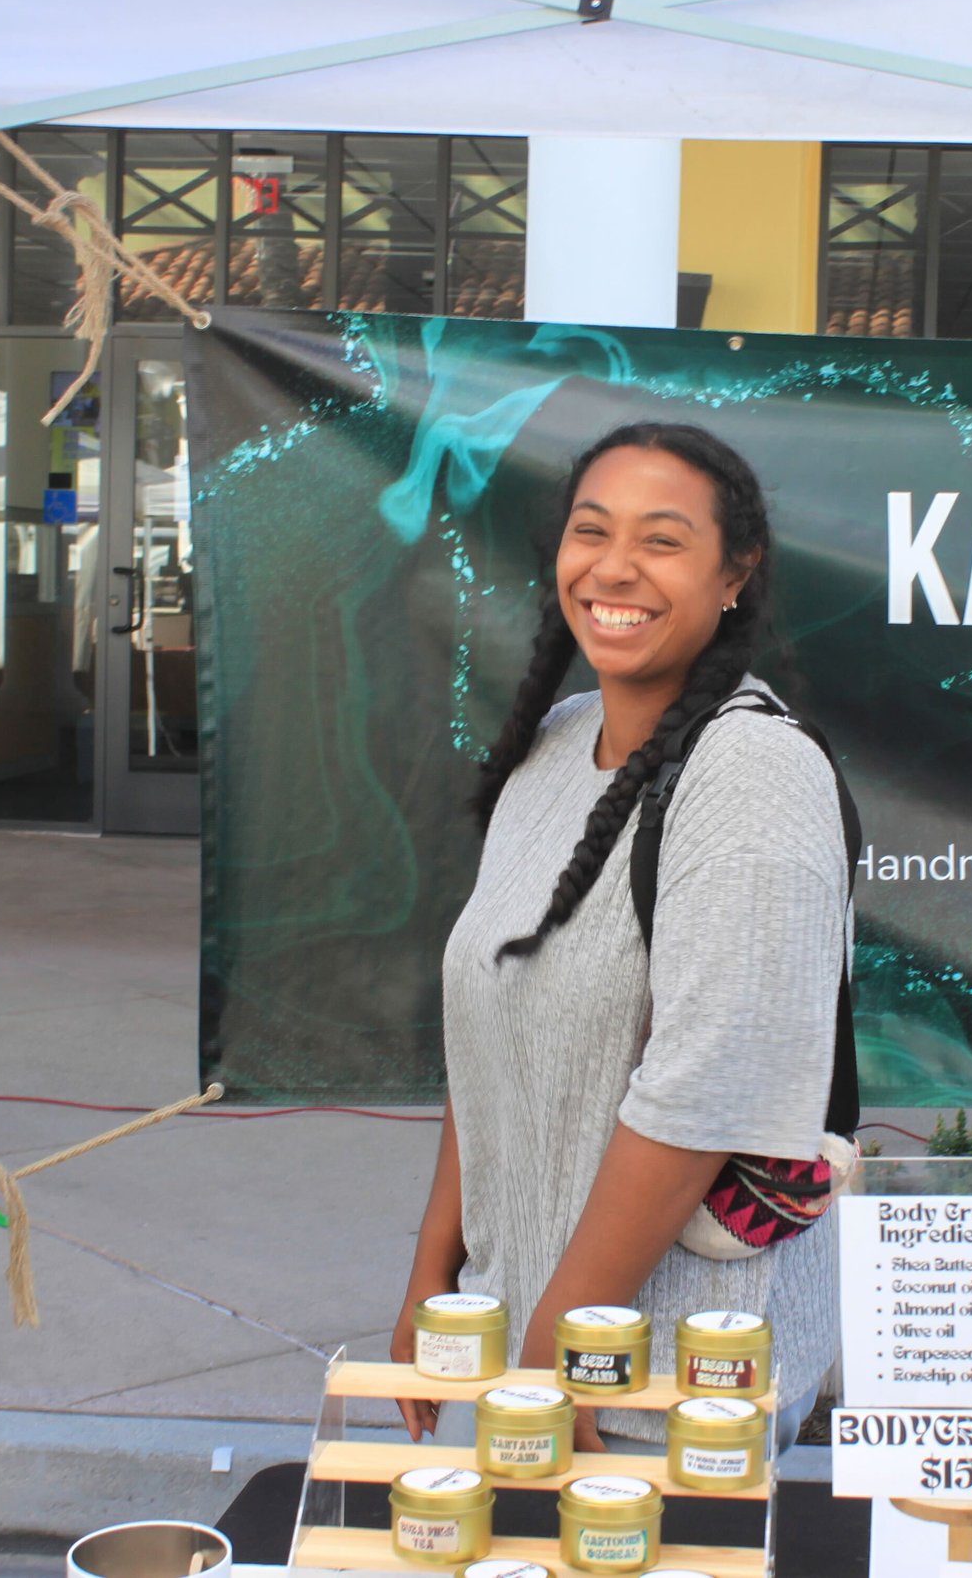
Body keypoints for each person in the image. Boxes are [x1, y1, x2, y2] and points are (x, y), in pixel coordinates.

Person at [392, 420, 849, 1453]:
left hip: (667, 1380)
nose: (615, 566)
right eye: (591, 530)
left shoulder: (752, 775)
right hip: (529, 1342)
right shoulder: (551, 750)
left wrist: (559, 1355)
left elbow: (706, 1090)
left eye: (662, 539)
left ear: (735, 574)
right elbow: (493, 1031)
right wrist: (438, 1273)